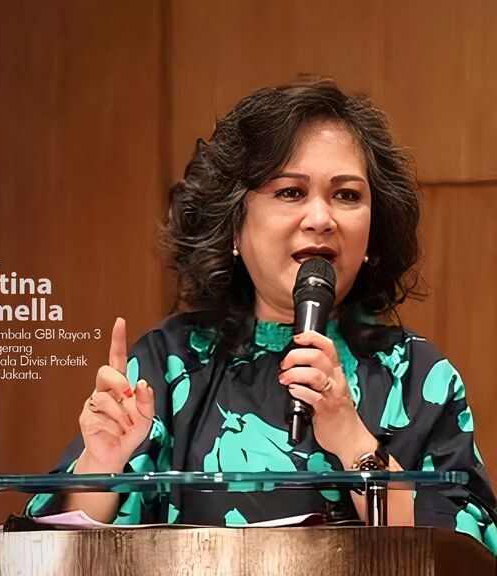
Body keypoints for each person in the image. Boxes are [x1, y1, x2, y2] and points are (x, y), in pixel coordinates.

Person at [25, 78, 497, 553]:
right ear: (235, 226)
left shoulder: (415, 376)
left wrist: (354, 442)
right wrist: (100, 466)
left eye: (347, 195)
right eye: (290, 192)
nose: (321, 219)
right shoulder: (169, 364)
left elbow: (467, 552)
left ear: (373, 234)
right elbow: (49, 549)